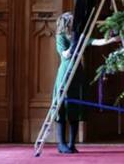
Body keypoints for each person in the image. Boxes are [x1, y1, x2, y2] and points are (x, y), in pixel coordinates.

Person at [53, 13, 82, 154]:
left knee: (74, 108)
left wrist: (114, 39)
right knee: (62, 108)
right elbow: (65, 54)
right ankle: (61, 143)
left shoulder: (78, 36)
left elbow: (95, 41)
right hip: (65, 74)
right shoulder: (61, 37)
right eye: (72, 20)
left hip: (77, 75)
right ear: (67, 23)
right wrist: (74, 44)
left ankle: (72, 143)